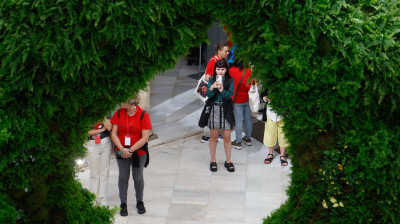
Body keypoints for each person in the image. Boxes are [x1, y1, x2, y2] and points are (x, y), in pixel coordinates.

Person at [111, 95, 152, 216]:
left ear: (131, 103)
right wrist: (122, 149)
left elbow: (145, 137)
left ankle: (139, 200)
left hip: (138, 152)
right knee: (123, 177)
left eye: (123, 102)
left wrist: (131, 150)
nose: (121, 103)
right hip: (121, 150)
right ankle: (123, 203)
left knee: (138, 177)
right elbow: (114, 133)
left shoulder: (143, 115)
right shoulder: (118, 113)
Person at [206, 59, 235, 172]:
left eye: (223, 69)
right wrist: (212, 87)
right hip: (214, 108)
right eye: (218, 69)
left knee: (227, 136)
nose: (220, 72)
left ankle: (228, 161)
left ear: (226, 70)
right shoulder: (212, 79)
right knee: (213, 136)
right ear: (215, 69)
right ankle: (213, 160)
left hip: (227, 109)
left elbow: (229, 96)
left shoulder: (230, 80)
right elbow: (208, 94)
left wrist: (222, 90)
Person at [201, 42, 230, 143]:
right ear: (219, 51)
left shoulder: (220, 60)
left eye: (228, 51)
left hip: (217, 90)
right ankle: (206, 136)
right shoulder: (213, 61)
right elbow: (207, 77)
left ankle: (215, 133)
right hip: (212, 90)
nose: (227, 53)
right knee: (209, 112)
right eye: (225, 51)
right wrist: (217, 81)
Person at [85, 116, 113, 206]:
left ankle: (103, 197)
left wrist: (102, 115)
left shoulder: (105, 111)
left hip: (105, 142)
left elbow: (109, 127)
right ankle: (93, 197)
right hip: (91, 144)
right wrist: (101, 130)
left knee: (104, 171)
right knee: (94, 172)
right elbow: (86, 132)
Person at [229, 59, 253, 150]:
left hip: (237, 99)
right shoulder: (250, 71)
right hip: (248, 98)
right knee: (248, 119)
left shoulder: (232, 70)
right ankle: (248, 138)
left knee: (239, 121)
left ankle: (238, 142)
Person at [263, 95, 289, 166]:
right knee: (270, 134)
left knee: (283, 134)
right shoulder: (268, 84)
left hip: (283, 113)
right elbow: (264, 95)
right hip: (270, 113)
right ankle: (270, 154)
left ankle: (282, 155)